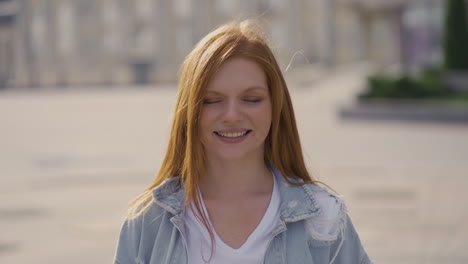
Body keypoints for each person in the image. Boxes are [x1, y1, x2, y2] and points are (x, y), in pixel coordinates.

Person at [114, 20, 372, 264]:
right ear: (189, 111)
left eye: (252, 99)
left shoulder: (324, 220)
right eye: (212, 100)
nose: (232, 115)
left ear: (276, 106)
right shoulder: (146, 221)